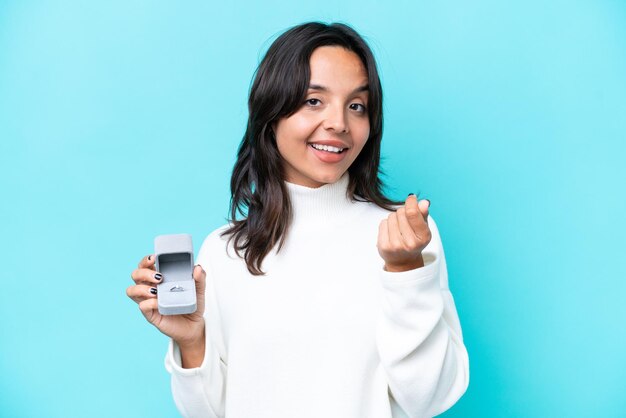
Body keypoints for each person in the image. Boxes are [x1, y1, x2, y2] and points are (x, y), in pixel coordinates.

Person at [127, 21, 469, 418]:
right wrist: (191, 342)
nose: (340, 123)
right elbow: (207, 413)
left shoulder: (404, 237)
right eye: (313, 101)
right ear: (271, 112)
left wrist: (406, 271)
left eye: (357, 105)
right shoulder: (223, 252)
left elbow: (430, 399)